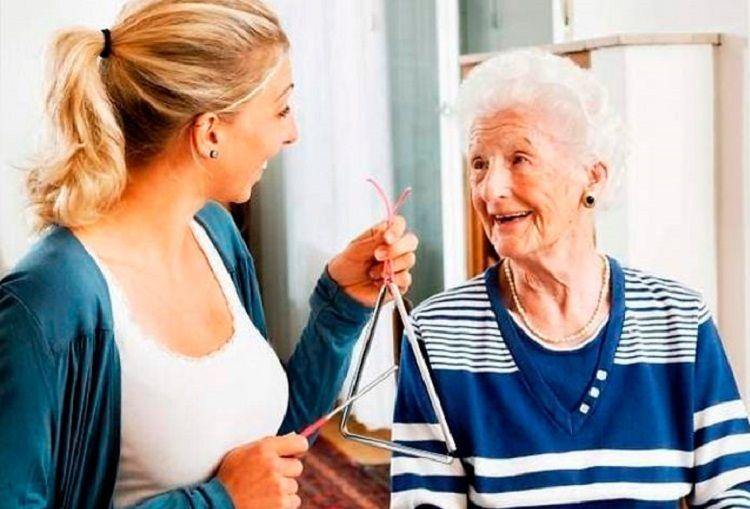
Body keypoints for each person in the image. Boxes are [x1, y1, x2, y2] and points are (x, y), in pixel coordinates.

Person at [0, 1, 419, 507]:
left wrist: (343, 302)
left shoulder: (215, 234)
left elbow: (269, 448)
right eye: (281, 109)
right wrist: (219, 500)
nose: (292, 133)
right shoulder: (48, 301)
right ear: (211, 131)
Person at [389, 49, 750, 508]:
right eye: (479, 163)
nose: (490, 189)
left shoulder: (678, 321)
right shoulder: (438, 334)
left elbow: (733, 493)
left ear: (592, 177)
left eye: (519, 159)